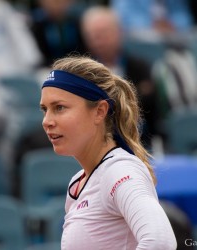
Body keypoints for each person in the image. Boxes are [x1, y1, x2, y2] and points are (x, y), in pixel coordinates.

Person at [40, 55, 177, 249]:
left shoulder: (118, 171)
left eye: (59, 107)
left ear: (99, 111)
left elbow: (160, 242)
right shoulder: (78, 182)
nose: (47, 121)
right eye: (44, 109)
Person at [80, 6, 158, 148]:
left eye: (102, 34)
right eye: (92, 35)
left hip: (141, 139)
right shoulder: (83, 72)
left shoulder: (140, 68)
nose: (98, 40)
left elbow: (150, 107)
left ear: (119, 32)